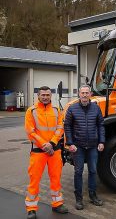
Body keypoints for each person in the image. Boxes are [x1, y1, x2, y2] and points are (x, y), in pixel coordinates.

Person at [24, 86, 68, 219]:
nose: (45, 97)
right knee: (34, 180)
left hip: (55, 151)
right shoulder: (31, 111)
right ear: (38, 96)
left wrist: (52, 143)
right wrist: (44, 144)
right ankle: (31, 208)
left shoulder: (56, 110)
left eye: (47, 95)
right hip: (38, 152)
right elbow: (30, 132)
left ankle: (57, 203)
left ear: (51, 96)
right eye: (42, 95)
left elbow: (60, 127)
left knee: (56, 178)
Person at [64, 85, 105, 210]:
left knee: (93, 171)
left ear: (90, 94)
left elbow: (101, 125)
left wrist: (101, 141)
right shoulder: (72, 108)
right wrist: (70, 143)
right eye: (83, 93)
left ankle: (93, 196)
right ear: (79, 94)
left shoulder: (96, 108)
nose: (85, 95)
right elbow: (67, 126)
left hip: (93, 145)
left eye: (87, 93)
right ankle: (79, 199)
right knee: (78, 172)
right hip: (78, 147)